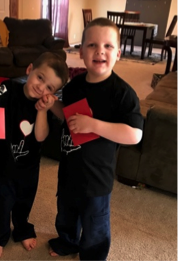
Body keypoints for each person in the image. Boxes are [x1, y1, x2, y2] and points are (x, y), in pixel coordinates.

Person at [46, 17, 144, 261]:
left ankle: (92, 256)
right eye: (92, 45)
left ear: (118, 53)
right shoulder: (73, 86)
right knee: (66, 214)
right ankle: (67, 242)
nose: (100, 50)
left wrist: (94, 125)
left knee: (94, 224)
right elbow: (68, 116)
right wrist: (53, 105)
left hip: (97, 178)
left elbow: (134, 134)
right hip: (69, 169)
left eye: (108, 46)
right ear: (80, 51)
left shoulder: (122, 94)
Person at [0, 52, 69, 259]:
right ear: (30, 69)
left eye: (49, 88)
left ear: (54, 93)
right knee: (4, 201)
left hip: (30, 165)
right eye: (40, 77)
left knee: (25, 201)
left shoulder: (46, 106)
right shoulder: (10, 88)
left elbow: (41, 136)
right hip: (5, 162)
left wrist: (42, 110)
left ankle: (23, 229)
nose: (41, 87)